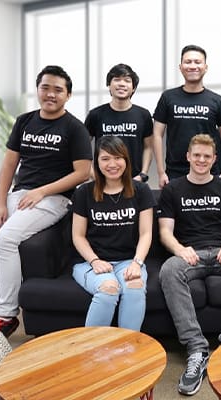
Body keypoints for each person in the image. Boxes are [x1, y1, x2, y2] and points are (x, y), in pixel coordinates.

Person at [0, 65, 92, 337]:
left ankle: (6, 314)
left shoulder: (75, 128)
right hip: (19, 197)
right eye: (45, 87)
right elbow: (8, 165)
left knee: (7, 240)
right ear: (38, 90)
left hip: (54, 200)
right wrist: (0, 203)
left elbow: (83, 172)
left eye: (58, 90)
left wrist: (42, 191)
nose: (50, 94)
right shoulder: (24, 121)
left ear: (67, 95)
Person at [158, 134, 221, 396]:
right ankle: (196, 348)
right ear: (188, 157)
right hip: (189, 254)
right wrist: (180, 249)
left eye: (207, 156)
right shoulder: (172, 189)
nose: (201, 160)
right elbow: (164, 231)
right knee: (169, 270)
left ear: (214, 159)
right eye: (197, 155)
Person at [71, 136, 154, 330]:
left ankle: (127, 349)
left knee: (134, 287)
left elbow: (146, 233)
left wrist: (137, 263)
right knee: (109, 288)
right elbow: (78, 236)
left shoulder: (141, 191)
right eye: (105, 158)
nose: (112, 164)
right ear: (97, 162)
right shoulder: (84, 192)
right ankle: (91, 352)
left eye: (118, 158)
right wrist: (94, 261)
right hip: (89, 262)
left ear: (126, 160)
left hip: (128, 260)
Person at [153, 44, 221, 188]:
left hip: (209, 171)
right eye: (188, 62)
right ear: (180, 67)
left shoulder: (216, 100)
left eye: (197, 62)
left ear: (205, 67)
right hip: (175, 173)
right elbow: (157, 134)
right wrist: (160, 172)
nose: (193, 66)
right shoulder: (168, 97)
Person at [84, 63, 153, 183]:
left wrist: (143, 174)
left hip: (133, 181)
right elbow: (82, 147)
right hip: (103, 181)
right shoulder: (96, 114)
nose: (121, 84)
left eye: (127, 80)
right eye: (116, 80)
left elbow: (148, 147)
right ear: (109, 85)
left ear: (134, 88)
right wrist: (92, 173)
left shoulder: (143, 115)